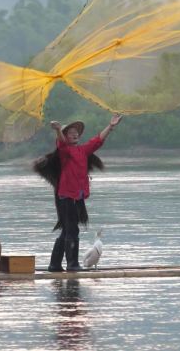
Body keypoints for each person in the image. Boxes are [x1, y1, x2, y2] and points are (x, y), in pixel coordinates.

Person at [39, 114, 122, 272]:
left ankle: (54, 265)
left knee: (67, 229)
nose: (74, 134)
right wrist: (58, 130)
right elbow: (61, 143)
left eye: (76, 132)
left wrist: (110, 126)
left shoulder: (83, 150)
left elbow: (97, 140)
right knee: (72, 230)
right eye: (70, 132)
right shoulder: (65, 151)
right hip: (67, 195)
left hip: (77, 195)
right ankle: (72, 264)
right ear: (65, 136)